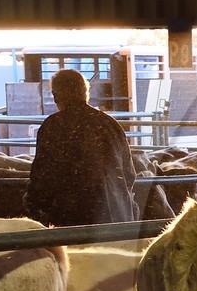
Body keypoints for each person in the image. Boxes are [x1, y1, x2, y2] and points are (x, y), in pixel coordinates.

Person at [24, 69, 138, 226]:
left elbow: (42, 177)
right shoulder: (110, 124)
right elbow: (129, 174)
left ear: (56, 95)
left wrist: (33, 204)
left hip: (73, 220)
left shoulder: (53, 126)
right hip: (117, 218)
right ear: (85, 93)